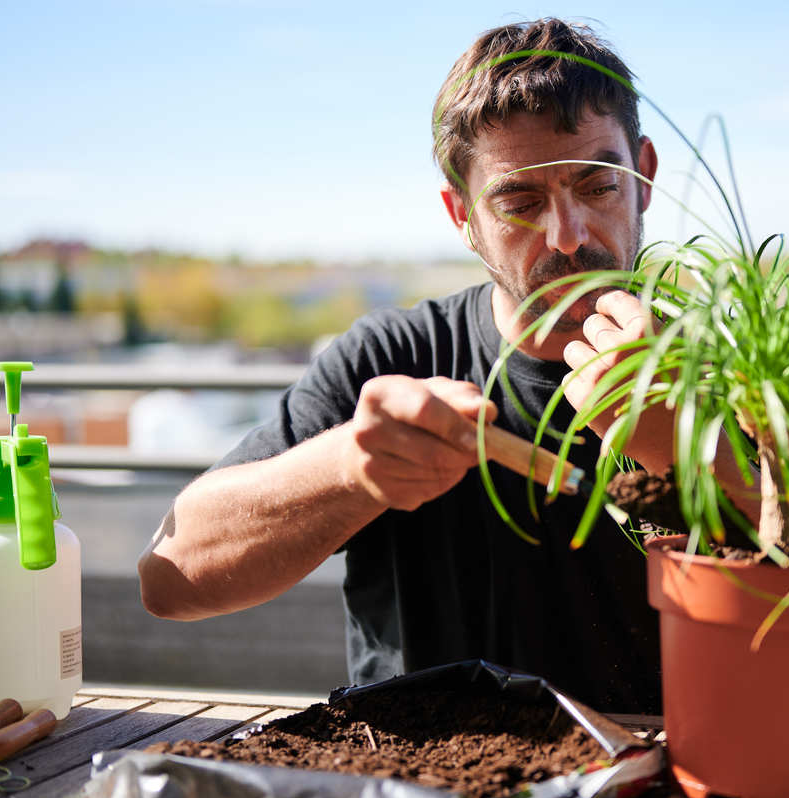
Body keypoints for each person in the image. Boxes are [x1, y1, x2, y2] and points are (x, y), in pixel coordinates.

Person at [138, 19, 697, 714]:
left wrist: (694, 454)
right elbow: (171, 579)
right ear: (461, 213)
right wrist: (348, 468)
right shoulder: (389, 361)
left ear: (642, 176)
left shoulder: (738, 366)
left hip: (673, 793)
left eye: (597, 186)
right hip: (421, 792)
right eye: (519, 202)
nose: (568, 235)